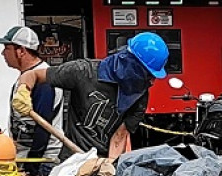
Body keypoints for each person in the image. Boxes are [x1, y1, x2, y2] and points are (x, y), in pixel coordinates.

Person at [11, 32, 169, 161]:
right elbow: (32, 75)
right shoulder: (83, 72)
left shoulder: (139, 95)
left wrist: (109, 164)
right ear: (131, 64)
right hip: (71, 162)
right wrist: (23, 90)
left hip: (100, 163)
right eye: (148, 74)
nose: (152, 81)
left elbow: (120, 135)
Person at [0, 26, 62, 176]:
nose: (3, 54)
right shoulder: (28, 76)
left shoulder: (43, 79)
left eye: (7, 48)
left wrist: (32, 169)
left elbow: (43, 126)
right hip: (27, 158)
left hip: (41, 162)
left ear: (21, 51)